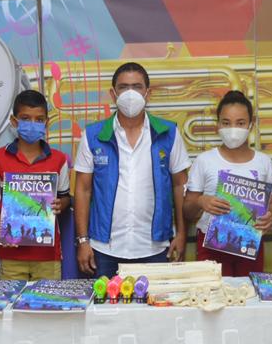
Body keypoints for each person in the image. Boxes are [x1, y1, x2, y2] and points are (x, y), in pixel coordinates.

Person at [74, 62, 191, 279]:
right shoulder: (93, 135)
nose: (130, 93)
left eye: (137, 87)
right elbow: (82, 190)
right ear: (113, 93)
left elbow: (180, 186)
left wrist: (182, 233)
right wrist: (83, 241)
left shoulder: (169, 134)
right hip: (104, 249)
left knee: (154, 311)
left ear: (148, 93)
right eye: (123, 87)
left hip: (155, 248)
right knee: (104, 312)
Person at [184, 90, 272, 277]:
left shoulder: (263, 162)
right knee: (212, 299)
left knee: (249, 298)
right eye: (226, 123)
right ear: (217, 125)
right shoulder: (204, 160)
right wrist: (201, 202)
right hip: (211, 245)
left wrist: (271, 216)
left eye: (240, 123)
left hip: (250, 244)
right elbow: (187, 210)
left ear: (251, 125)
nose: (233, 129)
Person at [0, 90, 71, 281]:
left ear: (47, 123)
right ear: (14, 122)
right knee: (11, 307)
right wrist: (3, 225)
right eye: (25, 118)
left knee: (47, 306)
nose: (32, 124)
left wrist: (59, 205)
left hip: (48, 256)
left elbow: (65, 199)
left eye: (39, 120)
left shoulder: (59, 159)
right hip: (11, 254)